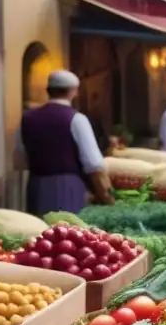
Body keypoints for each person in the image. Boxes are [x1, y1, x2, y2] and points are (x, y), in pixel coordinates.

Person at [13, 70, 113, 216]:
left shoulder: (27, 118)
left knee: (39, 233)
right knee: (67, 233)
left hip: (36, 186)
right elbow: (93, 164)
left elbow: (19, 160)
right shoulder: (77, 119)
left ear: (48, 91)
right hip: (68, 188)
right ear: (73, 92)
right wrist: (106, 194)